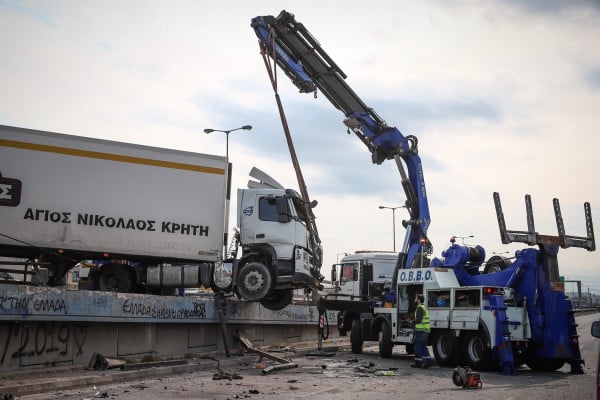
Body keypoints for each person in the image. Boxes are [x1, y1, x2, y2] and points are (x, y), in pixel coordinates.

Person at [412, 293, 433, 368]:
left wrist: (412, 321)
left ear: (418, 300)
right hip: (425, 331)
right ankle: (428, 361)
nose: (415, 299)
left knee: (418, 347)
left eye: (416, 298)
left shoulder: (420, 308)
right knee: (423, 347)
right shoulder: (423, 307)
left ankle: (418, 363)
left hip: (420, 331)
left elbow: (418, 319)